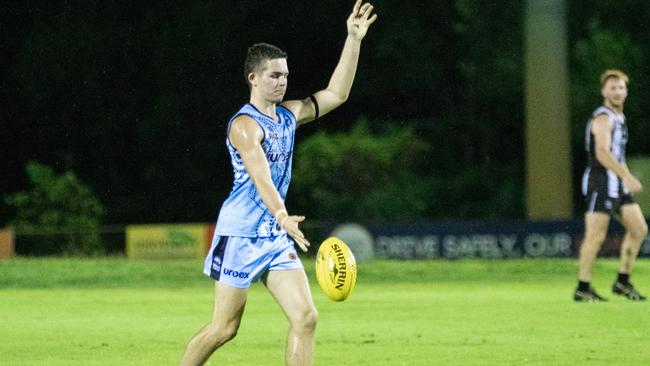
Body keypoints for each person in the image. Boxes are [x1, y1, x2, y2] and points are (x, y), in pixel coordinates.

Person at [179, 1, 377, 365]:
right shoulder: (244, 125)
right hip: (239, 235)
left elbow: (337, 95)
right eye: (274, 75)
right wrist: (283, 215)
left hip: (272, 235)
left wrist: (353, 40)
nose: (282, 80)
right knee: (224, 328)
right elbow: (260, 175)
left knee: (306, 317)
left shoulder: (289, 114)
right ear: (253, 78)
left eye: (285, 75)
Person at [574, 69, 648, 302]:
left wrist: (623, 178)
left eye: (621, 88)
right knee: (596, 235)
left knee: (639, 229)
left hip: (616, 182)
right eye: (613, 88)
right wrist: (626, 175)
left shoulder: (620, 117)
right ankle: (583, 287)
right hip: (601, 180)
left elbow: (616, 153)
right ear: (604, 91)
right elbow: (602, 152)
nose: (617, 92)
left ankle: (622, 281)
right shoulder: (603, 117)